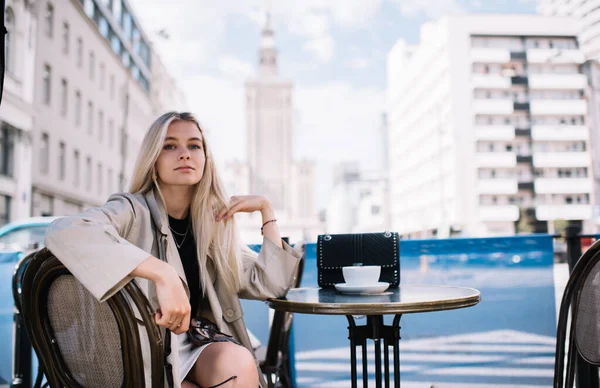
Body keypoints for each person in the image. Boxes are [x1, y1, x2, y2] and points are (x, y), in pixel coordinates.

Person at [45, 111, 302, 388]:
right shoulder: (132, 209)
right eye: (170, 146)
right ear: (153, 160)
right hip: (140, 350)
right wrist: (161, 273)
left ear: (206, 159)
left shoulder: (212, 223)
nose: (184, 154)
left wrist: (266, 210)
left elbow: (271, 284)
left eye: (194, 145)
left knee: (238, 364)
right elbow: (65, 231)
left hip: (195, 342)